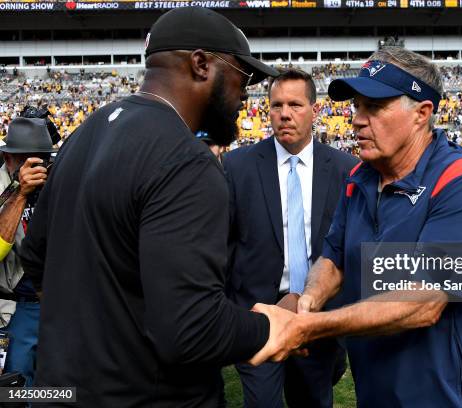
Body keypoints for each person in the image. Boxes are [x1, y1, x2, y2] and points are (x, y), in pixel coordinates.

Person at [18, 7, 290, 407]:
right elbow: (191, 330)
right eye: (242, 76)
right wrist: (270, 327)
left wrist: (101, 331)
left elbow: (36, 259)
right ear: (201, 64)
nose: (245, 93)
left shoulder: (85, 133)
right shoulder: (186, 160)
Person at [249, 47, 462, 407]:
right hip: (383, 389)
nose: (356, 119)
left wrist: (306, 327)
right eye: (356, 106)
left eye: (375, 106)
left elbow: (424, 302)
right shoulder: (359, 178)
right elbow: (334, 257)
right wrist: (308, 301)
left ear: (422, 113)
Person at [224, 68, 357, 408]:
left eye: (295, 105)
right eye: (276, 105)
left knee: (313, 400)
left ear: (315, 110)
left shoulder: (345, 168)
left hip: (318, 319)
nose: (284, 114)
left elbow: (349, 247)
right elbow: (224, 243)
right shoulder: (238, 166)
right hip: (259, 317)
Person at [0, 117, 55, 385]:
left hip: (58, 301)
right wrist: (19, 193)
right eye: (25, 160)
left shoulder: (56, 182)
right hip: (18, 305)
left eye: (41, 159)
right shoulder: (4, 187)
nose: (33, 167)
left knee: (62, 385)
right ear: (7, 158)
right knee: (16, 386)